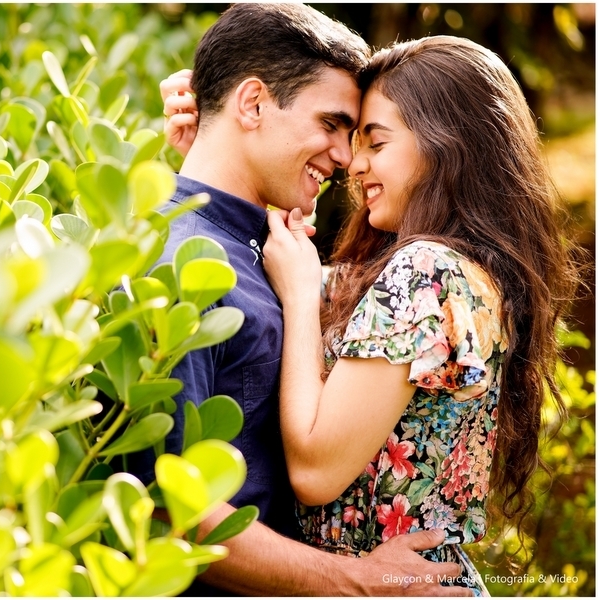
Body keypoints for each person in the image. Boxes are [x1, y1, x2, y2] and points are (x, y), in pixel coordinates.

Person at [163, 35, 580, 595]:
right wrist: (214, 154)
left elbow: (313, 471)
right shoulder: (452, 270)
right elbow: (272, 269)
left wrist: (304, 291)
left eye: (374, 143)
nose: (353, 166)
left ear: (444, 145)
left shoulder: (427, 271)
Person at [138, 3, 470, 596]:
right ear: (254, 103)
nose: (345, 157)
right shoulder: (182, 267)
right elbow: (173, 513)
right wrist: (356, 581)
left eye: (356, 135)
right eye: (331, 125)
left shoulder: (263, 249)